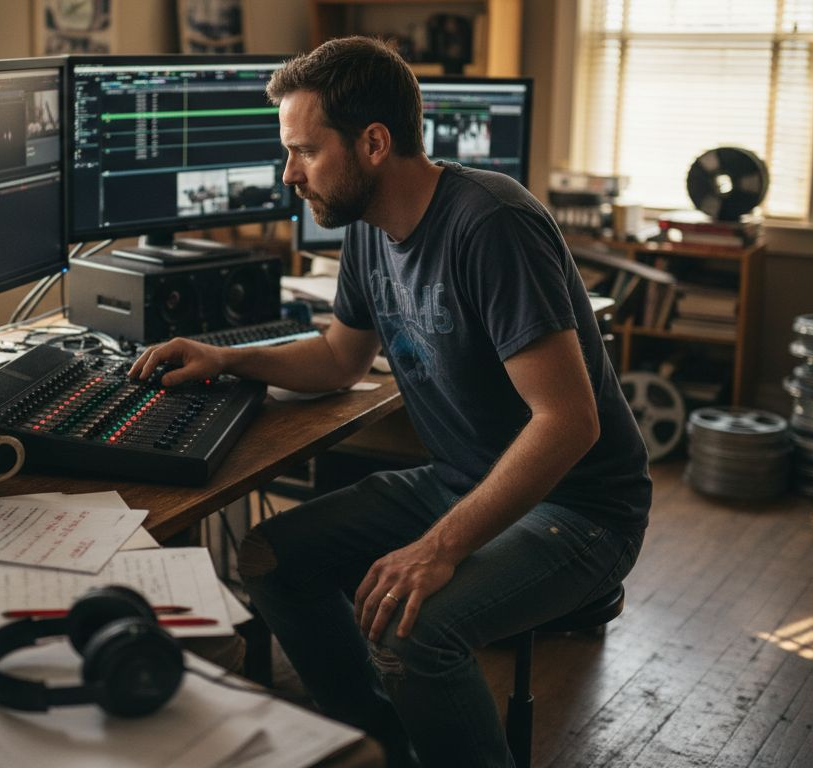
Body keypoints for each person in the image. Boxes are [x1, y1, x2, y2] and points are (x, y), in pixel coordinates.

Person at [130, 37, 651, 768]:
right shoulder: (372, 233)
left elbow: (568, 422)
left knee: (412, 631)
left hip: (580, 510)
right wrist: (227, 356)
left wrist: (438, 548)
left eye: (305, 151)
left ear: (374, 143)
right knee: (271, 555)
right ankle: (382, 746)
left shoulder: (490, 224)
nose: (289, 174)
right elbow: (341, 358)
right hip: (462, 481)